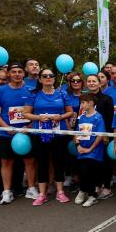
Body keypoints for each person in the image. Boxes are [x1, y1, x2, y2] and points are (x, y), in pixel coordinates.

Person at [23, 68, 74, 205]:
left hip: (58, 133)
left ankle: (60, 192)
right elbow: (26, 114)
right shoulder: (34, 94)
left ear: (54, 78)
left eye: (51, 75)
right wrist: (39, 117)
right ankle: (41, 194)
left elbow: (70, 112)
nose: (48, 77)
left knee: (58, 161)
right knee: (42, 162)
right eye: (44, 76)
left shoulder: (62, 93)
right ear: (40, 79)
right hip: (40, 133)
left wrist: (61, 116)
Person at [0, 62, 38, 204]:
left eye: (20, 72)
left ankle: (31, 188)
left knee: (29, 161)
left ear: (24, 74)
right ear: (8, 74)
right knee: (6, 162)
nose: (17, 74)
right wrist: (5, 127)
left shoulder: (31, 90)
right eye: (14, 72)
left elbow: (36, 111)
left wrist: (28, 126)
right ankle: (6, 192)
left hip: (26, 133)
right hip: (6, 134)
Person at [73, 93, 106, 208]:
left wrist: (90, 149)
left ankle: (92, 195)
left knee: (88, 170)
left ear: (91, 103)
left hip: (94, 152)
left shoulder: (98, 117)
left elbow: (100, 135)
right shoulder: (81, 117)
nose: (81, 105)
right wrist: (78, 146)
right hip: (82, 150)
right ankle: (83, 190)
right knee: (82, 170)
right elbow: (76, 133)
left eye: (83, 102)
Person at [85, 74, 114, 199]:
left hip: (103, 136)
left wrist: (105, 135)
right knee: (93, 162)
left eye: (94, 81)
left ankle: (107, 187)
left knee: (105, 162)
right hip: (88, 136)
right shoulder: (84, 100)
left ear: (99, 83)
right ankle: (96, 185)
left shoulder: (106, 99)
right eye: (89, 81)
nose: (92, 83)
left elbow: (109, 119)